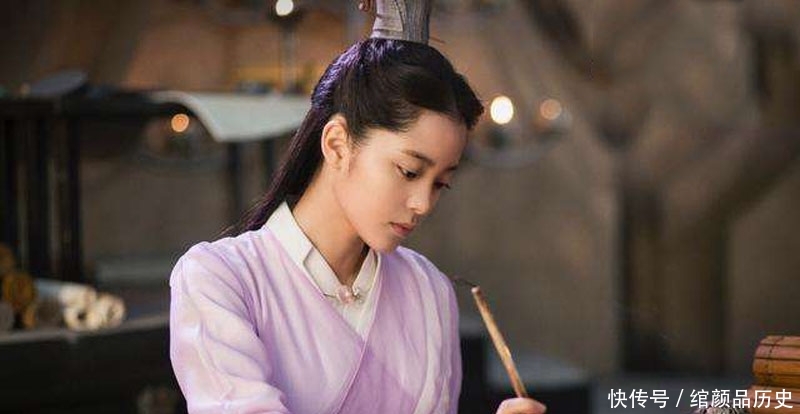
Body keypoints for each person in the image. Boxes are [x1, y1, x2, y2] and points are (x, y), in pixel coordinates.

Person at [169, 9, 547, 414]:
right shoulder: (221, 279)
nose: (423, 204)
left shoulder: (429, 291)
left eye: (440, 183)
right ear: (337, 144)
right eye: (409, 171)